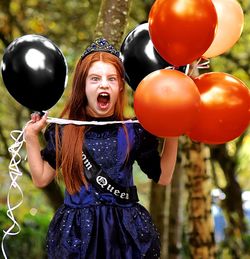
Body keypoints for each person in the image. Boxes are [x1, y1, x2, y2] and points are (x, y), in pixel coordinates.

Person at [24, 38, 178, 259]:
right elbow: (40, 178)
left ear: (120, 87)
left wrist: (173, 132)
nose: (104, 84)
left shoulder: (133, 131)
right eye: (95, 79)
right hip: (77, 236)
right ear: (83, 87)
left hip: (126, 236)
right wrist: (31, 137)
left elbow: (163, 177)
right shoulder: (64, 132)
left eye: (111, 79)